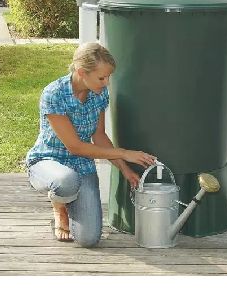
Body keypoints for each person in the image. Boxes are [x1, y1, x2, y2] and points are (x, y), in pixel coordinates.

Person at [25, 42, 156, 247]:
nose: (106, 83)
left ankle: (68, 199)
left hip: (82, 164)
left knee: (88, 239)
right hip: (48, 160)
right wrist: (124, 152)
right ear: (81, 72)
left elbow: (99, 136)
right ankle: (59, 206)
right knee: (66, 181)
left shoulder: (99, 93)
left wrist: (125, 169)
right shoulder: (54, 94)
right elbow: (75, 147)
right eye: (102, 78)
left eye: (108, 77)